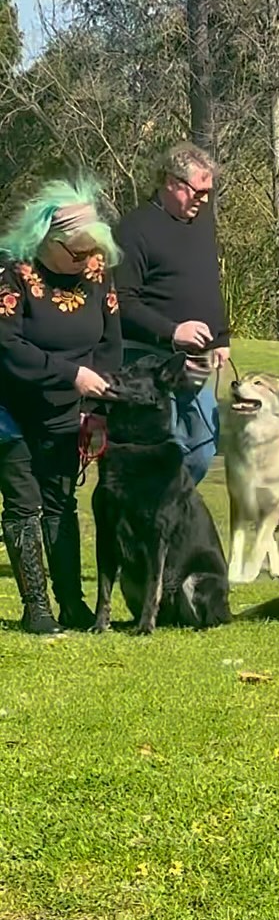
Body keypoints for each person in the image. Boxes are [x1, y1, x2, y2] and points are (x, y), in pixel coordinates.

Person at [0, 178, 122, 633]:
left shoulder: (97, 271)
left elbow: (110, 344)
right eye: (77, 252)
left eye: (93, 251)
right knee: (24, 504)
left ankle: (72, 603)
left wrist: (95, 406)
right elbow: (8, 345)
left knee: (61, 503)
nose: (87, 260)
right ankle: (37, 609)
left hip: (69, 410)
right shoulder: (12, 272)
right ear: (47, 240)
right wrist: (70, 373)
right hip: (11, 406)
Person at [114, 142, 231, 485]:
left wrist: (221, 338)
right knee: (168, 446)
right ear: (171, 182)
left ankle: (170, 503)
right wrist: (172, 331)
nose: (204, 200)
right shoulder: (133, 229)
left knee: (203, 445)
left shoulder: (202, 221)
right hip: (149, 361)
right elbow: (122, 301)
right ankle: (158, 507)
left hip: (195, 359)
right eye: (198, 191)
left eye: (209, 192)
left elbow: (208, 281)